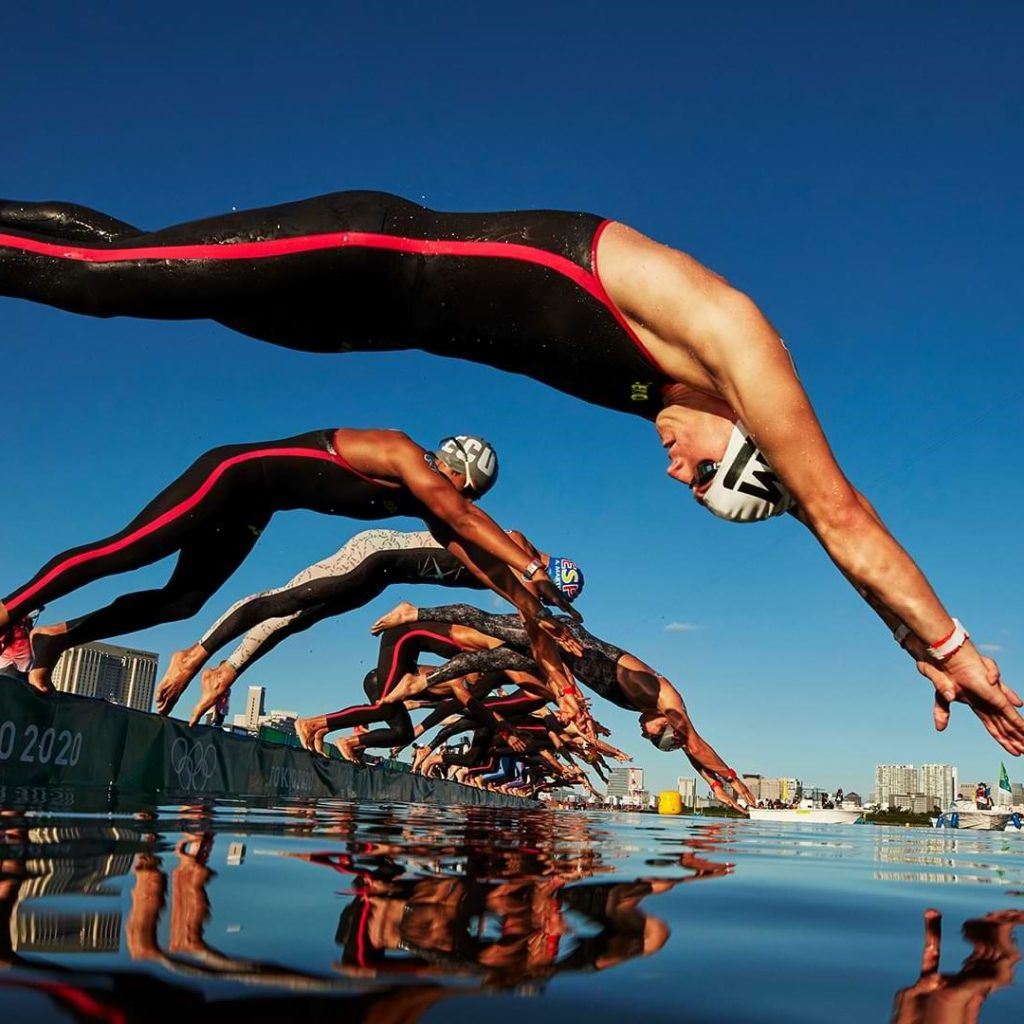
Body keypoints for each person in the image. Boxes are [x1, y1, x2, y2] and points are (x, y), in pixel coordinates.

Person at [0, 191, 1017, 752]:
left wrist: (905, 645)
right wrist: (951, 642)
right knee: (108, 282)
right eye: (706, 475)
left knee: (129, 268)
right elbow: (837, 509)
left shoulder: (691, 395)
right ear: (746, 435)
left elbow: (819, 519)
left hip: (360, 322)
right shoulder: (731, 341)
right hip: (368, 256)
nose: (676, 475)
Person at [0, 428, 577, 693]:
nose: (464, 506)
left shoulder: (431, 509)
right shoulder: (403, 454)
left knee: (182, 602)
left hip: (255, 509)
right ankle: (10, 612)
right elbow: (476, 528)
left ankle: (56, 640)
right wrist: (534, 567)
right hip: (230, 477)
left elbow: (487, 568)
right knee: (127, 551)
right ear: (453, 471)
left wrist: (538, 620)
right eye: (465, 493)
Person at [154, 525, 584, 724]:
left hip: (382, 577)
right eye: (553, 594)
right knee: (287, 601)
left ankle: (226, 672)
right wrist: (539, 585)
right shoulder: (517, 550)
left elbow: (534, 634)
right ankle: (197, 654)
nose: (547, 603)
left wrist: (566, 690)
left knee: (298, 622)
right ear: (550, 573)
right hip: (374, 553)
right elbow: (520, 544)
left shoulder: (516, 586)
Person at [370, 600, 755, 813]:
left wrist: (710, 782)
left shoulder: (666, 713)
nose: (643, 733)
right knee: (484, 629)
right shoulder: (661, 699)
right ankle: (415, 614)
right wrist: (731, 778)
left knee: (489, 658)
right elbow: (695, 743)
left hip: (559, 662)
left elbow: (691, 745)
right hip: (565, 640)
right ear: (667, 724)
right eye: (653, 737)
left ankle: (422, 682)